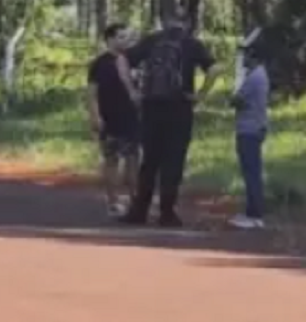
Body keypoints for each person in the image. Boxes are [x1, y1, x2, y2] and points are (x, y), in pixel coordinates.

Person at [121, 14, 217, 228]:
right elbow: (214, 68)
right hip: (180, 107)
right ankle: (167, 212)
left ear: (164, 23)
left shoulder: (151, 40)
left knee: (149, 161)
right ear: (187, 24)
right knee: (173, 160)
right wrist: (200, 95)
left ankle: (139, 210)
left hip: (151, 106)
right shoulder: (192, 44)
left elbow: (122, 59)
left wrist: (132, 91)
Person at [86, 23, 141, 216]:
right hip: (109, 120)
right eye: (120, 37)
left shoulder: (134, 61)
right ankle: (113, 202)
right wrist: (95, 116)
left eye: (127, 37)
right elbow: (92, 93)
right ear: (109, 39)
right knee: (111, 161)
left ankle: (137, 202)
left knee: (133, 160)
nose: (125, 41)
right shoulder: (100, 63)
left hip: (132, 119)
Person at [229, 34, 272, 230]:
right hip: (254, 126)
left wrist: (234, 98)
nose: (244, 58)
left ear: (253, 55)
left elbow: (236, 100)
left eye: (246, 54)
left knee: (251, 172)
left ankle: (255, 214)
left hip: (249, 128)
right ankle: (252, 211)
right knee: (251, 170)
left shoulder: (254, 77)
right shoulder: (260, 75)